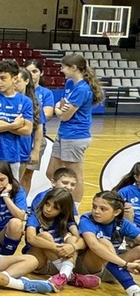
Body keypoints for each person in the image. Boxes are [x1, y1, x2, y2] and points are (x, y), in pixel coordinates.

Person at [48, 53, 103, 203]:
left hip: (76, 135)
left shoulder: (83, 89)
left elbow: (64, 115)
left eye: (63, 67)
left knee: (75, 176)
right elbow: (62, 103)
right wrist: (60, 109)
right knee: (52, 172)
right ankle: (60, 201)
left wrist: (57, 110)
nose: (61, 70)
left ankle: (75, 210)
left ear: (73, 68)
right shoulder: (70, 84)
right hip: (64, 133)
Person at [77, 191, 140, 296]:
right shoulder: (87, 219)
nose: (96, 211)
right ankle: (133, 290)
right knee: (105, 243)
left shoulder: (122, 223)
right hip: (90, 268)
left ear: (116, 212)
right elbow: (94, 245)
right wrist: (125, 264)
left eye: (103, 209)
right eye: (94, 206)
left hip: (114, 269)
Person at [22, 187, 80, 291]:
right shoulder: (35, 216)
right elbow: (31, 238)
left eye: (55, 208)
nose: (48, 209)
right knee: (45, 236)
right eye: (47, 204)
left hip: (57, 262)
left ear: (63, 210)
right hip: (39, 262)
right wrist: (56, 247)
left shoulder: (65, 220)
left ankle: (64, 275)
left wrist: (72, 247)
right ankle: (69, 275)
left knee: (72, 240)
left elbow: (80, 239)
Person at [0, 159, 27, 256]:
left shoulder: (18, 190)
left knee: (16, 223)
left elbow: (20, 216)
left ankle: (4, 257)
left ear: (9, 178)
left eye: (2, 180)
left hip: (4, 233)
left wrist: (5, 196)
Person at [15, 67, 45, 194]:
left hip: (23, 148)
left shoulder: (34, 103)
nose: (14, 84)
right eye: (13, 80)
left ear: (26, 81)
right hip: (6, 148)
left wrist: (36, 150)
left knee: (18, 183)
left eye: (18, 81)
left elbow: (39, 128)